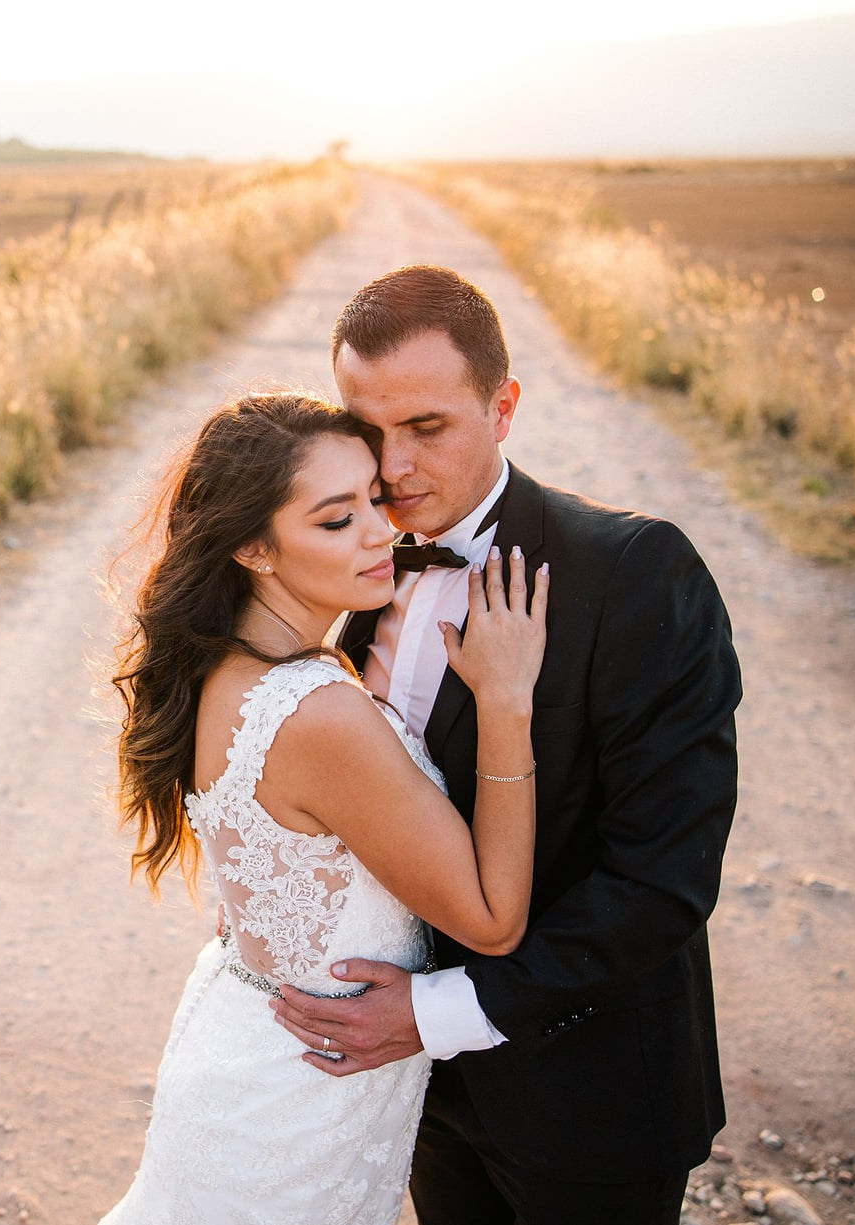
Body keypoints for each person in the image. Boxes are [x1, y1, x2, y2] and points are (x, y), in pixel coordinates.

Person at [271, 264, 742, 1223]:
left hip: (588, 1097)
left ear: (504, 406)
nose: (392, 469)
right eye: (369, 430)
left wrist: (434, 1014)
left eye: (428, 427)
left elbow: (663, 880)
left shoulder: (636, 573)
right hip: (415, 1098)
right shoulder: (361, 563)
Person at [100, 392, 549, 1222]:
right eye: (336, 520)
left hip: (248, 1051)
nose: (382, 531)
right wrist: (506, 701)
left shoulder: (222, 669)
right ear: (254, 548)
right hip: (294, 1108)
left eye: (374, 499)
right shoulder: (320, 712)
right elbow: (491, 919)